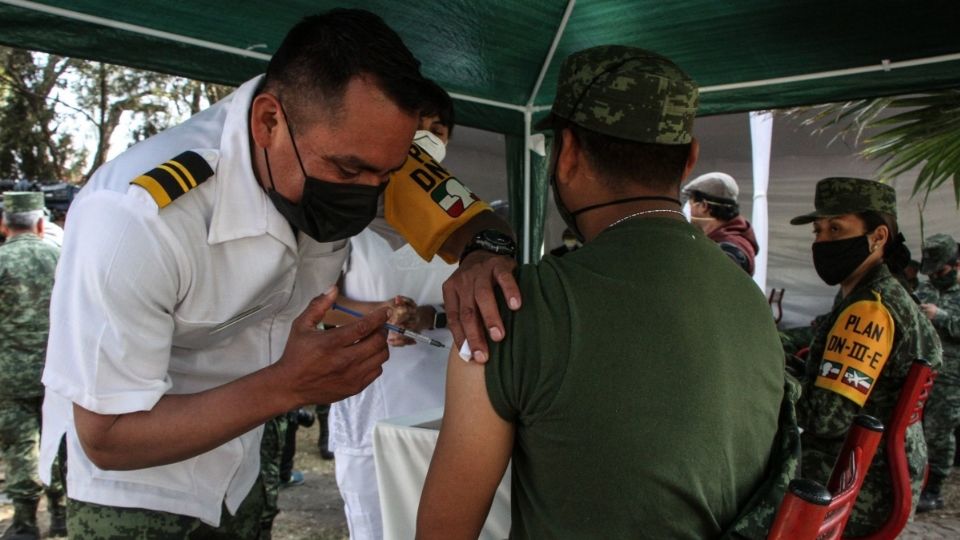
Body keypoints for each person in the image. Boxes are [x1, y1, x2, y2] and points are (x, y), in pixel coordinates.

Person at [39, 9, 521, 537]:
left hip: (242, 470)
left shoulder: (362, 145)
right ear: (268, 122)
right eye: (347, 172)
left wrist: (484, 256)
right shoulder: (138, 217)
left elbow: (477, 224)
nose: (369, 191)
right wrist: (288, 387)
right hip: (135, 491)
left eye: (384, 175)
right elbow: (106, 437)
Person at [417, 45, 786, 538]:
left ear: (566, 153)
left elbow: (443, 531)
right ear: (689, 157)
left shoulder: (510, 308)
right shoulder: (752, 303)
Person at [328, 80, 458, 540]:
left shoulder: (465, 218)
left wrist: (427, 317)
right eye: (416, 126)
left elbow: (483, 305)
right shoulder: (346, 214)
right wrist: (381, 314)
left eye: (437, 129)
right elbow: (322, 302)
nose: (427, 138)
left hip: (445, 406)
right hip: (370, 400)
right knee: (375, 524)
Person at [789, 177, 942, 535]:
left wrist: (765, 375)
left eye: (836, 228)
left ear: (878, 236)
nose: (823, 241)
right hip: (871, 470)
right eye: (818, 230)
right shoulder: (872, 292)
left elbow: (824, 420)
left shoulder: (869, 310)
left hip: (855, 484)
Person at [0, 192, 66, 539]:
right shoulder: (61, 256)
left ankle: (25, 522)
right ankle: (60, 514)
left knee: (20, 445)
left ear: (4, 224)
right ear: (41, 224)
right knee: (58, 439)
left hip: (8, 377)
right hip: (55, 372)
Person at [915, 233, 960, 512]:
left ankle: (934, 490)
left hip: (951, 378)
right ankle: (913, 482)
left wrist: (940, 316)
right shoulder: (924, 290)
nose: (934, 275)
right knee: (915, 431)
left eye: (939, 270)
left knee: (940, 433)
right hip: (920, 373)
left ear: (954, 264)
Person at [682, 171, 759, 275]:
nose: (688, 210)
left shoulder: (728, 252)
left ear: (704, 206)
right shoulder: (726, 242)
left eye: (691, 203)